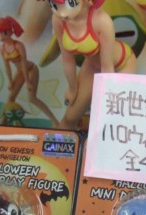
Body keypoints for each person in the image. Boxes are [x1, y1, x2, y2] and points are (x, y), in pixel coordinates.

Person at [48, 0, 137, 129]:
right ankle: (56, 141)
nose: (61, 13)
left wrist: (106, 98)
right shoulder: (58, 20)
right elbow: (67, 60)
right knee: (70, 117)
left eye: (71, 3)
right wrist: (73, 89)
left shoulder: (101, 21)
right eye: (53, 5)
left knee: (108, 121)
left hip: (122, 64)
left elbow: (107, 68)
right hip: (92, 65)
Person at [0, 16, 58, 125]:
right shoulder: (2, 48)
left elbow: (24, 64)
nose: (1, 37)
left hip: (30, 69)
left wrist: (28, 82)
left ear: (11, 32)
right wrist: (11, 81)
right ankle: (3, 122)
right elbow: (7, 66)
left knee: (32, 98)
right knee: (11, 97)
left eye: (4, 33)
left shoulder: (18, 45)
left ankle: (54, 120)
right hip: (20, 72)